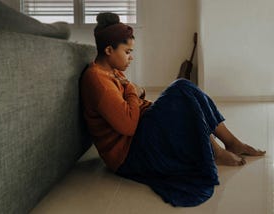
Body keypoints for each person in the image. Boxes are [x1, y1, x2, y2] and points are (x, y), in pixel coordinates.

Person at [79, 12, 266, 207]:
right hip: (129, 153)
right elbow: (128, 126)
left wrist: (136, 92)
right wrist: (132, 91)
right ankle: (215, 150)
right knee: (180, 90)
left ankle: (232, 142)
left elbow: (133, 95)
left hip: (140, 134)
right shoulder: (97, 80)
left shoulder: (112, 71)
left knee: (184, 88)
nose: (131, 57)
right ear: (109, 50)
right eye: (127, 52)